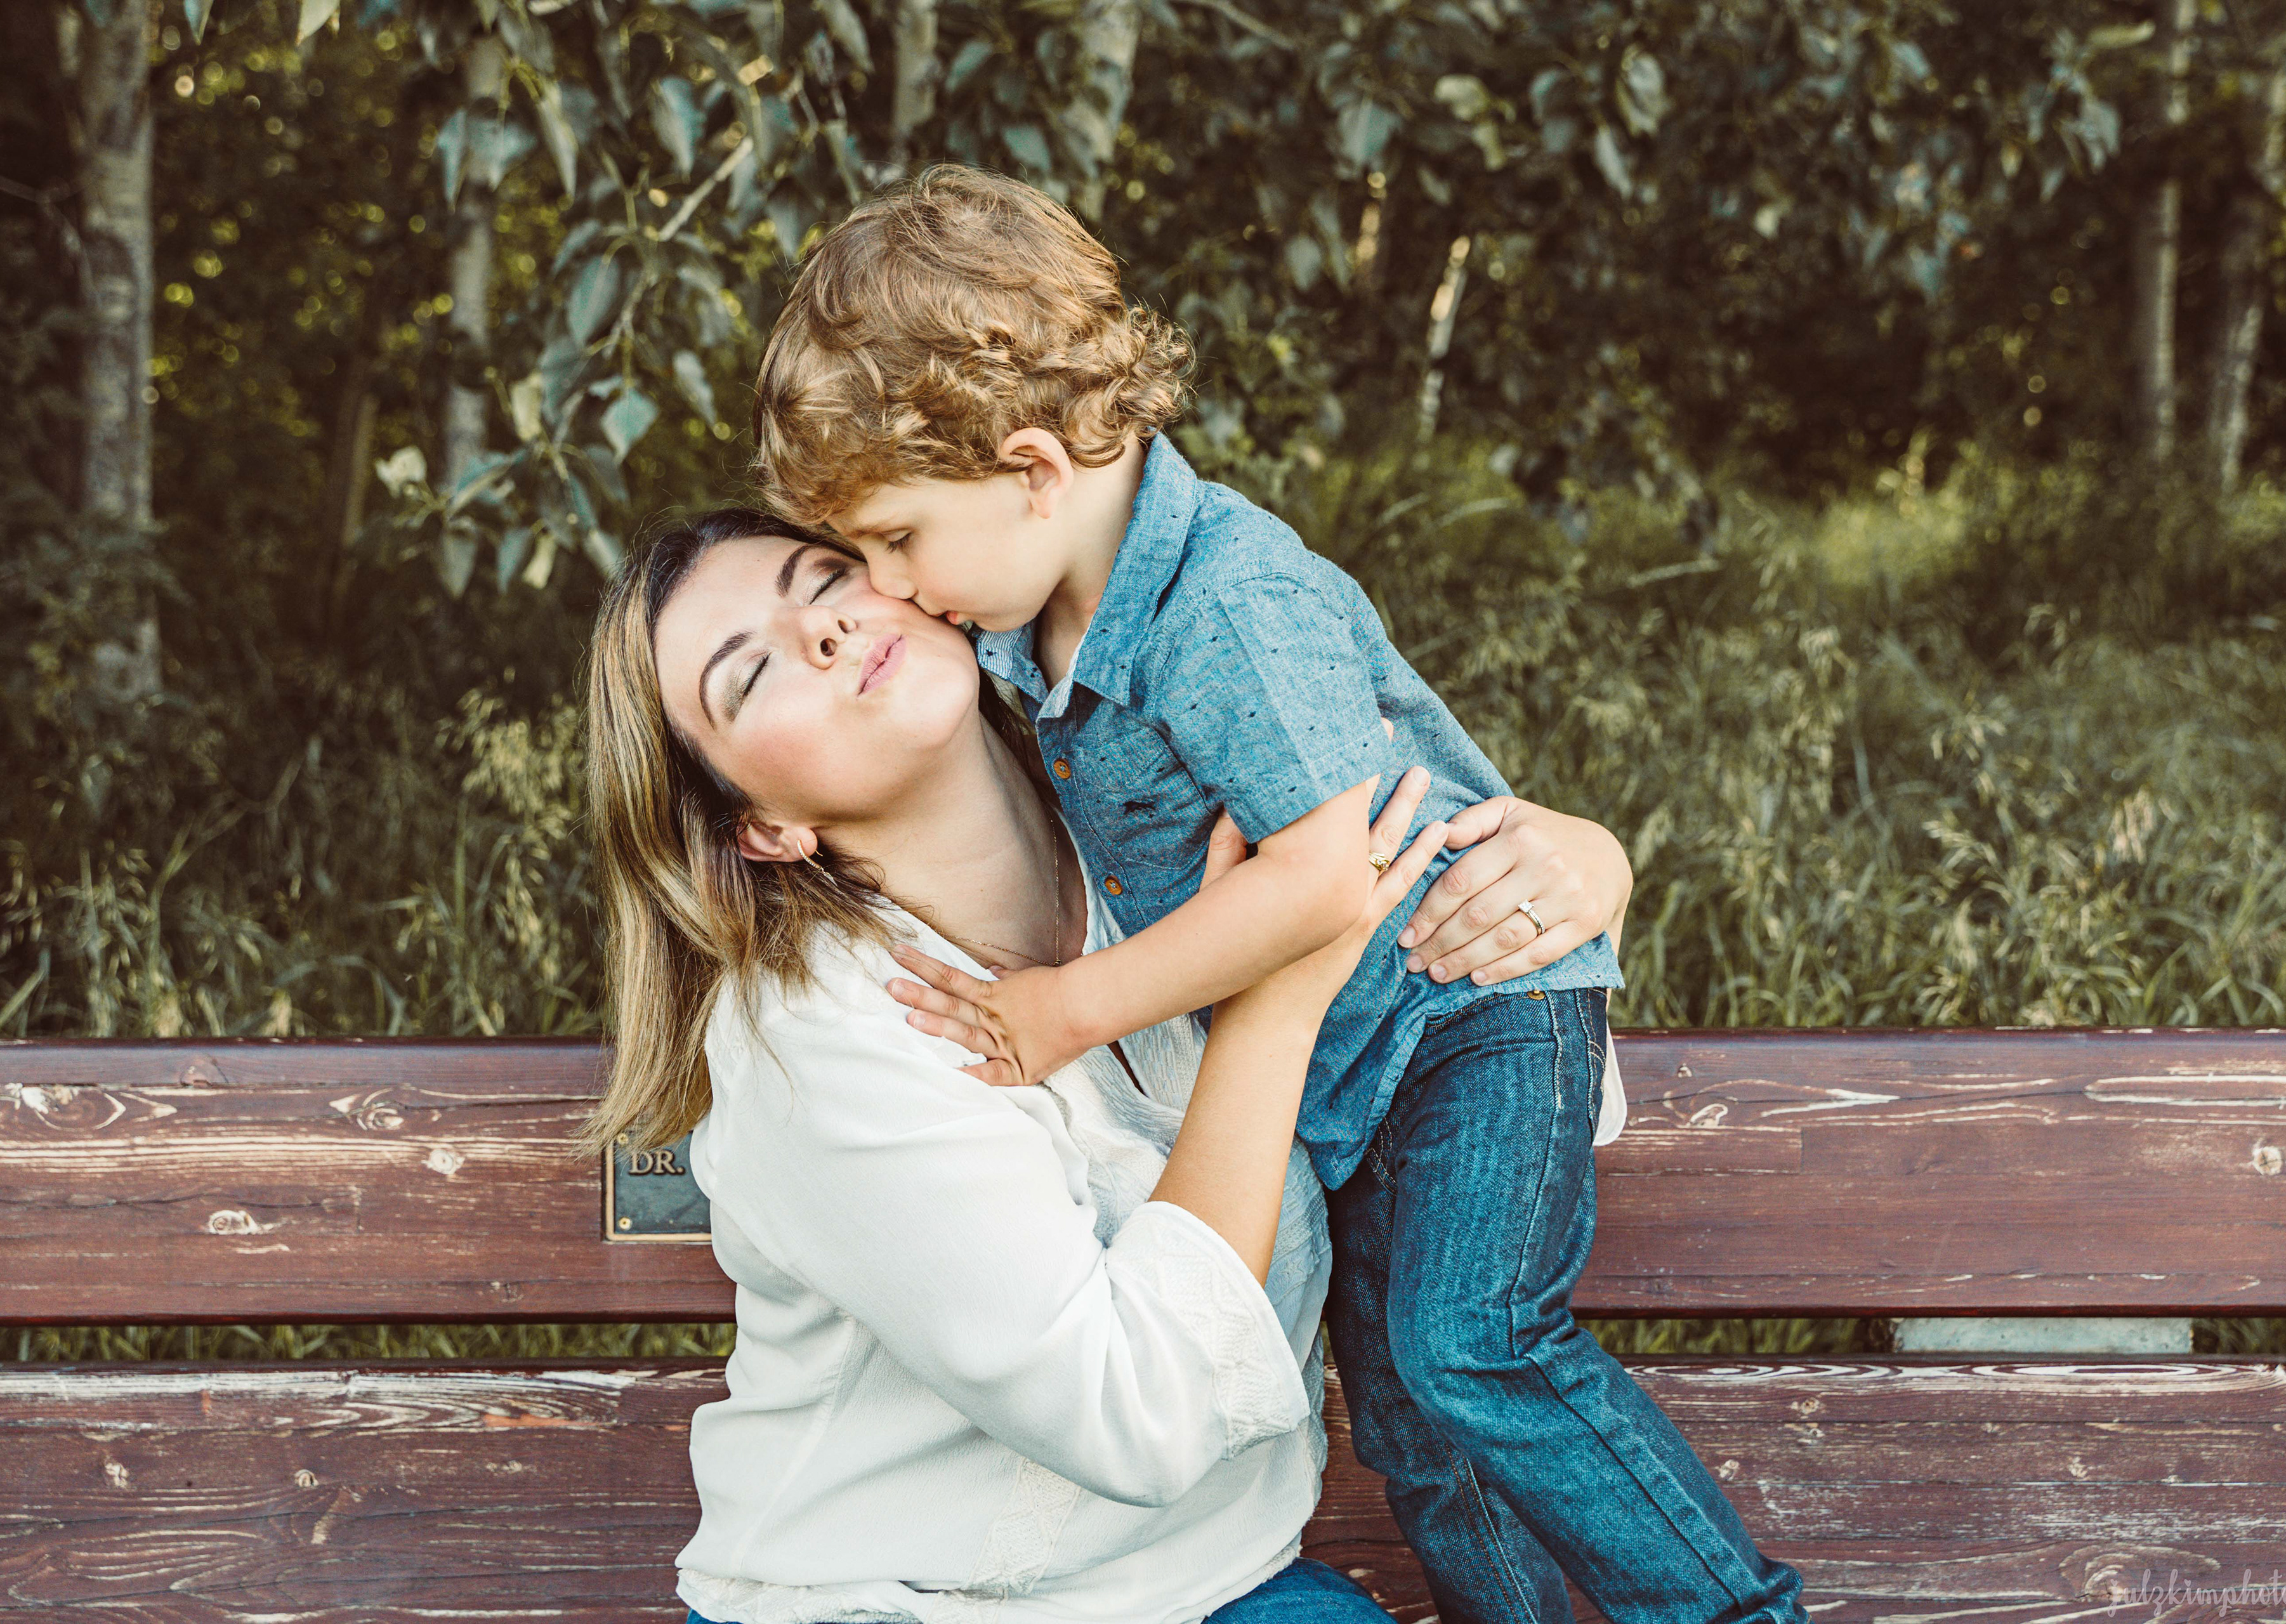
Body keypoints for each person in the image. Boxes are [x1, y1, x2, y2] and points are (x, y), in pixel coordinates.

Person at [748, 166, 1808, 1624]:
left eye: (899, 539)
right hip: (1355, 1066)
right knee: (1415, 1425)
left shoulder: (1224, 604)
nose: (892, 586)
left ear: (1035, 469)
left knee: (1472, 1346)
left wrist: (1071, 1008)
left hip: (1465, 1014)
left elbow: (1326, 872)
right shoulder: (1016, 633)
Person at [579, 508, 1640, 1624]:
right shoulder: (816, 1037)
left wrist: (1577, 878)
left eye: (827, 580)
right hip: (889, 1604)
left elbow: (1463, 1068)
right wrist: (1274, 1003)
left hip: (1213, 1584)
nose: (824, 632)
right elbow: (1137, 1420)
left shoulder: (1159, 815)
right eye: (751, 675)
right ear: (760, 829)